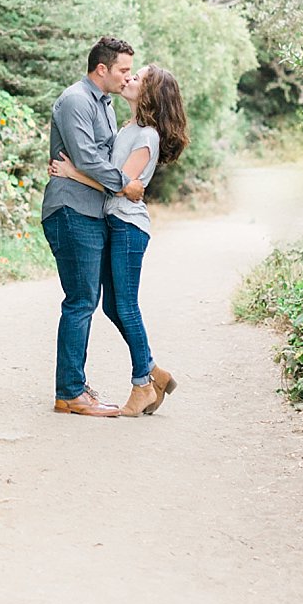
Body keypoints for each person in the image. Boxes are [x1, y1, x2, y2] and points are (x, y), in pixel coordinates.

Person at [50, 64, 189, 417]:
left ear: (150, 94)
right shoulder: (129, 126)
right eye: (129, 74)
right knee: (113, 306)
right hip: (116, 222)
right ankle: (154, 372)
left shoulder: (147, 136)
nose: (129, 79)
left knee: (124, 305)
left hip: (129, 226)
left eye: (137, 78)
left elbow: (121, 185)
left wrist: (71, 173)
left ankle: (143, 383)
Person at [41, 36, 146, 417]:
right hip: (71, 209)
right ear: (101, 69)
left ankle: (76, 386)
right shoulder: (76, 100)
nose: (127, 77)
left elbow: (99, 158)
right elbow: (86, 156)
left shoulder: (104, 105)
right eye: (122, 70)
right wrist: (124, 184)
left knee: (89, 299)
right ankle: (70, 392)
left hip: (92, 211)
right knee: (82, 300)